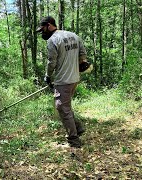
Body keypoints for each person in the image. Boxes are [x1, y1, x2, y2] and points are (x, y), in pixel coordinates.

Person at [36, 16, 87, 148]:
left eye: (43, 29)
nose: (43, 33)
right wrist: (81, 64)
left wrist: (47, 75)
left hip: (63, 81)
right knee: (66, 106)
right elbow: (83, 54)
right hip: (74, 79)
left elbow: (51, 62)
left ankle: (74, 139)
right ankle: (78, 127)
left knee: (62, 108)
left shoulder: (53, 40)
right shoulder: (73, 35)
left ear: (49, 25)